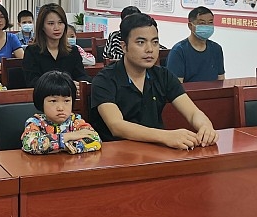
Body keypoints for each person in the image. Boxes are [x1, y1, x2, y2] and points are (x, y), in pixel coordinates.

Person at [90, 13, 218, 149]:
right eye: (141, 42)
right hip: (117, 153)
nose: (150, 49)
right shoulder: (104, 80)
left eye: (155, 42)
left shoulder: (163, 76)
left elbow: (193, 113)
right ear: (124, 47)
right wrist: (166, 136)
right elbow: (117, 126)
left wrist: (206, 127)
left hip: (156, 150)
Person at [21, 71, 101, 155]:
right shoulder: (35, 122)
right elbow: (30, 144)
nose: (61, 108)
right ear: (41, 102)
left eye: (66, 101)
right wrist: (69, 136)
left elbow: (95, 139)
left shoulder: (76, 121)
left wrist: (66, 147)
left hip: (71, 162)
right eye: (53, 101)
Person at [23, 3, 90, 87]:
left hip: (71, 94)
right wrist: (66, 85)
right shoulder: (31, 52)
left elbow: (82, 76)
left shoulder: (73, 51)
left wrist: (81, 84)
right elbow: (33, 82)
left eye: (60, 22)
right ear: (42, 26)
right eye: (51, 23)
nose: (57, 28)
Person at [166, 6, 225, 83]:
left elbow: (221, 80)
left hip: (213, 91)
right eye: (202, 23)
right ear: (190, 26)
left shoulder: (216, 49)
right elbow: (176, 86)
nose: (207, 26)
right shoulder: (179, 51)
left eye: (210, 23)